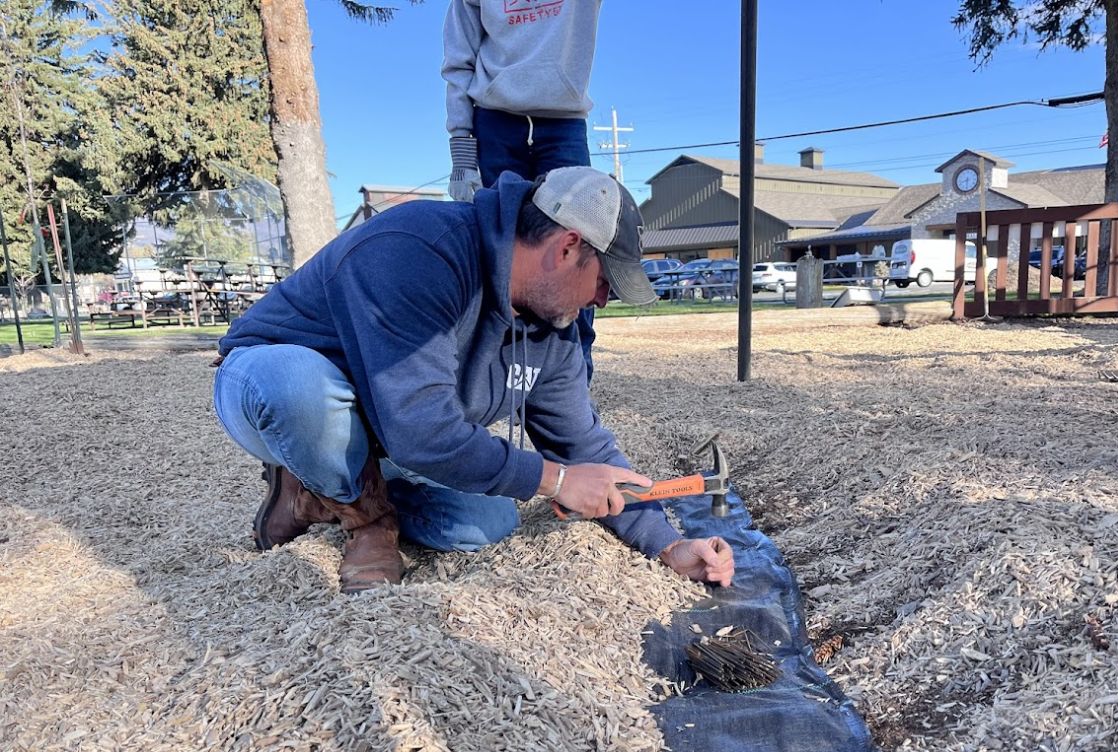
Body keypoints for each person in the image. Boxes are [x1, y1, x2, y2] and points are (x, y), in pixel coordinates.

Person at [213, 166, 735, 594]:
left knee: (485, 525)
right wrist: (555, 481)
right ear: (567, 246)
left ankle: (314, 491)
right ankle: (368, 521)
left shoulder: (555, 324)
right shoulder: (418, 250)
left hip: (386, 429)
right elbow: (421, 429)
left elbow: (581, 444)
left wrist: (668, 545)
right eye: (605, 282)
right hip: (271, 387)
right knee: (296, 386)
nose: (603, 299)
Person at [441, 0, 602, 381]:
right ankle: (499, 378)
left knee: (581, 249)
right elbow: (459, 59)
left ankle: (574, 381)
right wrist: (462, 150)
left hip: (563, 121)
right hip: (495, 121)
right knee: (501, 254)